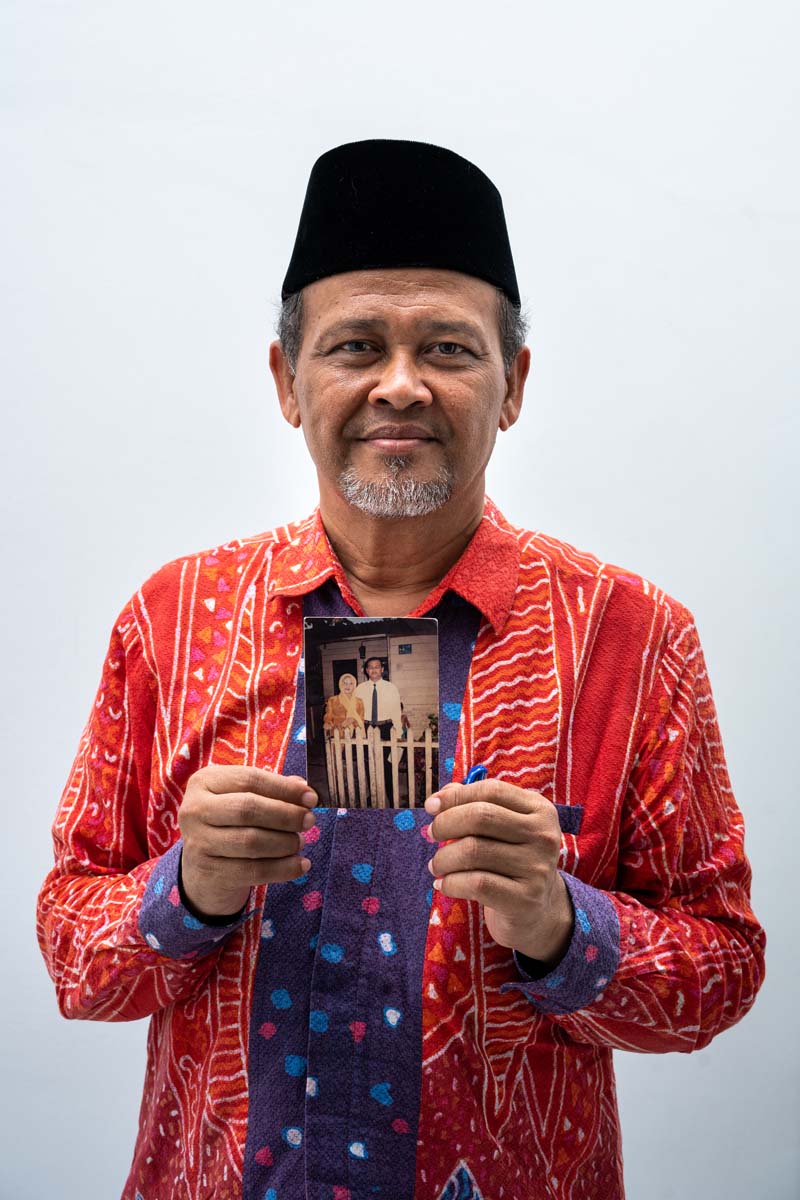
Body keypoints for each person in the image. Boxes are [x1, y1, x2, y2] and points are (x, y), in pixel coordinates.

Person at [37, 139, 765, 1200]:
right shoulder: (171, 619)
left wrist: (559, 924)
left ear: (513, 386)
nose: (400, 385)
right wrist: (187, 889)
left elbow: (723, 973)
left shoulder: (633, 637)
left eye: (449, 349)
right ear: (287, 382)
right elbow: (70, 958)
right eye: (355, 345)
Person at [323, 672, 365, 738]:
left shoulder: (359, 701)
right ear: (340, 684)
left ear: (354, 686)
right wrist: (328, 723)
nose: (348, 686)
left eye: (351, 683)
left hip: (355, 735)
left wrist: (353, 720)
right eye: (345, 683)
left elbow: (361, 719)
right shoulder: (333, 700)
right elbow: (328, 717)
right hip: (337, 734)